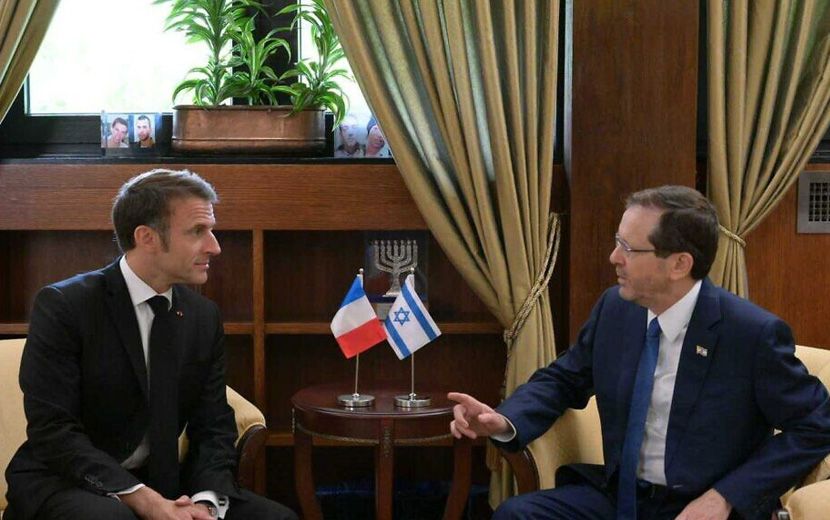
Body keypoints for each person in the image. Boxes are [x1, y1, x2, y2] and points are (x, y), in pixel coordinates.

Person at [449, 185, 830, 520]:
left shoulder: (750, 334)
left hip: (702, 504)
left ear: (679, 264)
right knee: (518, 514)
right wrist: (504, 420)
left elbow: (816, 424)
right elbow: (565, 378)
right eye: (618, 242)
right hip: (622, 496)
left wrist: (726, 496)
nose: (614, 257)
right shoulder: (616, 309)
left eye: (629, 248)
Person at [4, 169, 297, 520]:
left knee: (276, 517)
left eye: (211, 230)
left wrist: (206, 501)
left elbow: (214, 426)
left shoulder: (203, 316)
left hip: (165, 482)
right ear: (147, 237)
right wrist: (145, 501)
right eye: (197, 231)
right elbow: (53, 431)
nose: (214, 246)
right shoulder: (66, 306)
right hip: (66, 482)